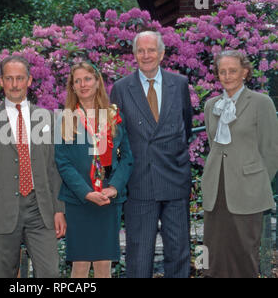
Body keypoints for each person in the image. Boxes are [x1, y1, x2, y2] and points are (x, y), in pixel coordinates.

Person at [0, 55, 66, 278]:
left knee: (50, 273)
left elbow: (54, 167)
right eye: (9, 78)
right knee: (4, 274)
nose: (14, 84)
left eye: (20, 78)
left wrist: (59, 209)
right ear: (1, 81)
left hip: (40, 209)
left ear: (30, 80)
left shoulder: (47, 118)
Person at [110, 31, 193, 278]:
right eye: (141, 51)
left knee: (179, 252)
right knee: (139, 255)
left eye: (151, 50)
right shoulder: (121, 89)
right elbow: (117, 138)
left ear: (162, 53)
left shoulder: (179, 84)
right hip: (139, 183)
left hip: (175, 179)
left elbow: (185, 126)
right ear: (134, 55)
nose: (146, 55)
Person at [201, 50, 278, 278]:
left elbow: (271, 150)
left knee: (245, 251)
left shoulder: (260, 103)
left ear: (245, 72)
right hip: (215, 190)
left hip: (247, 191)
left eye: (232, 71)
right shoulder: (211, 106)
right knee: (210, 252)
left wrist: (258, 182)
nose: (227, 76)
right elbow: (214, 146)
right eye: (222, 71)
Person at [55, 62, 134, 278]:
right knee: (79, 265)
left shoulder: (113, 116)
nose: (83, 84)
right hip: (79, 201)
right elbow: (63, 162)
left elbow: (127, 157)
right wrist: (85, 192)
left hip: (108, 200)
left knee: (103, 264)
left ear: (98, 82)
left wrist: (115, 187)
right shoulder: (65, 119)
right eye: (77, 81)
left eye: (87, 79)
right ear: (72, 87)